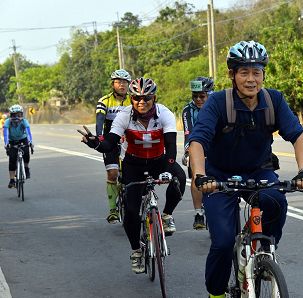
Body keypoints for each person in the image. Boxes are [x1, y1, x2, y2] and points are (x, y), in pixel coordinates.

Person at [187, 40, 303, 297]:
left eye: (256, 72)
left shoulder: (274, 100)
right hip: (219, 177)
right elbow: (197, 142)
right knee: (223, 243)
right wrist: (201, 176)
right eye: (244, 72)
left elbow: (298, 137)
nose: (251, 79)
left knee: (277, 201)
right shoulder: (217, 103)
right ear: (232, 75)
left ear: (263, 74)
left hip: (259, 172)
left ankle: (265, 251)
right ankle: (216, 293)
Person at [79, 77, 186, 273]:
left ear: (154, 98)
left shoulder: (165, 113)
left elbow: (171, 146)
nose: (141, 103)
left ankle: (167, 215)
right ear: (131, 99)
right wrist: (94, 142)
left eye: (146, 98)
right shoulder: (124, 116)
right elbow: (109, 144)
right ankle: (136, 251)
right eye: (136, 98)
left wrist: (168, 168)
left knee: (179, 177)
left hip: (159, 160)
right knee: (131, 210)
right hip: (133, 164)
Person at [96, 69, 132, 223]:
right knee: (113, 173)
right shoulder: (105, 100)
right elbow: (99, 120)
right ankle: (113, 210)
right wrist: (99, 137)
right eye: (118, 82)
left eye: (124, 82)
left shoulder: (134, 100)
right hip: (111, 142)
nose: (121, 85)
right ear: (113, 84)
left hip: (129, 141)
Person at [181, 76, 214, 230]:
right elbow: (188, 132)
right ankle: (199, 213)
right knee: (197, 176)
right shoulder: (188, 110)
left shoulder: (218, 106)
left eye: (202, 96)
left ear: (210, 93)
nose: (198, 100)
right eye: (195, 96)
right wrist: (188, 152)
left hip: (216, 146)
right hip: (196, 145)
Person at [3, 104, 34, 188]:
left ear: (22, 115)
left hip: (23, 139)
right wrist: (6, 144)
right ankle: (12, 180)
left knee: (26, 154)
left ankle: (26, 168)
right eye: (14, 115)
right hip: (12, 141)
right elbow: (6, 134)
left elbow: (28, 133)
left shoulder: (24, 121)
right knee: (12, 160)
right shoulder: (7, 122)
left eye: (19, 115)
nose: (17, 118)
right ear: (10, 116)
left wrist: (30, 142)